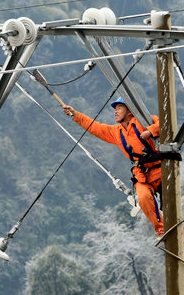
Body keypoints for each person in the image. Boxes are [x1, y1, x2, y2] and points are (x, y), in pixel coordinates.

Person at [63, 97, 164, 235]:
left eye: (119, 108)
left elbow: (165, 124)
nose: (115, 112)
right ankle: (161, 229)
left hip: (161, 169)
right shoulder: (117, 132)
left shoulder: (144, 120)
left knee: (171, 207)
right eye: (115, 109)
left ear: (129, 111)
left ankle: (180, 248)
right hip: (142, 174)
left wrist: (150, 131)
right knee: (143, 197)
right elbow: (95, 127)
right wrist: (75, 114)